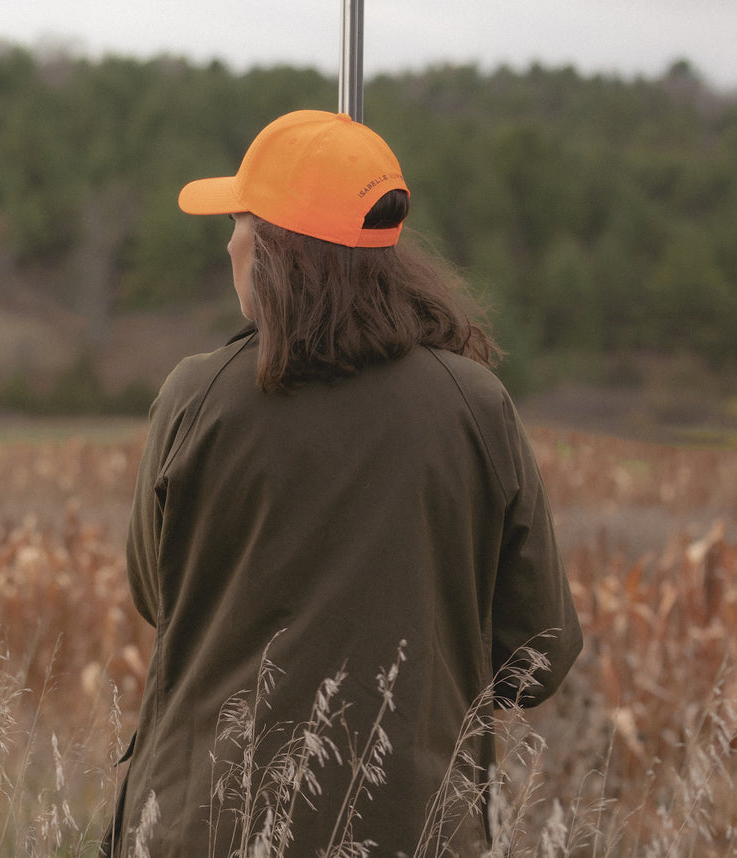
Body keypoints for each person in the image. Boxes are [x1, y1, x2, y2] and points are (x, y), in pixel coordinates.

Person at [102, 110, 583, 856]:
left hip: (202, 827)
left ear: (272, 249)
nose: (229, 242)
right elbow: (537, 653)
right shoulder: (473, 405)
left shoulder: (195, 397)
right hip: (412, 831)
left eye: (239, 221)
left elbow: (157, 594)